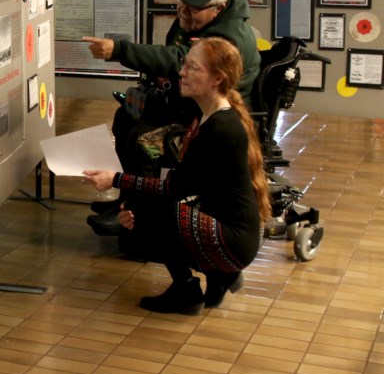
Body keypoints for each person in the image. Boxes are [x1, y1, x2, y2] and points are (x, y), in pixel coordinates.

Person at [83, 37, 270, 315]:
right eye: (185, 65)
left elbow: (174, 189)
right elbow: (192, 188)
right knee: (146, 207)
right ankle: (220, 277)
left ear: (217, 78)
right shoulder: (207, 117)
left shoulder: (220, 128)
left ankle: (187, 290)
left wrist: (117, 182)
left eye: (193, 68)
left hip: (234, 240)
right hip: (233, 231)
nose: (182, 72)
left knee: (148, 213)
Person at [81, 0, 260, 242]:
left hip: (208, 124)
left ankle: (142, 219)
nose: (185, 13)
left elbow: (177, 59)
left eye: (194, 8)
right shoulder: (196, 23)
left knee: (144, 141)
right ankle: (127, 203)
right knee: (126, 118)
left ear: (219, 8)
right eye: (182, 5)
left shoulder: (226, 38)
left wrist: (120, 49)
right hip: (188, 108)